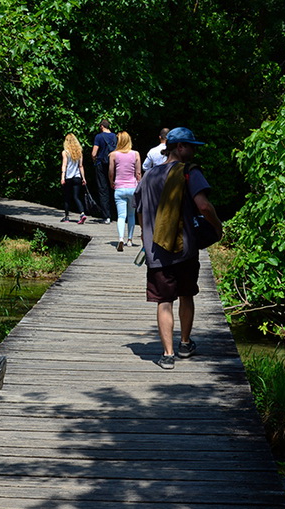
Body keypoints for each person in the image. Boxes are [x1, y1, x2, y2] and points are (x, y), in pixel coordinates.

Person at [133, 127, 223, 370]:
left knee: (164, 301)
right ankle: (184, 344)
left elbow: (139, 210)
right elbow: (203, 206)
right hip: (184, 248)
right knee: (186, 295)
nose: (194, 151)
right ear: (180, 147)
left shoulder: (148, 176)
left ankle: (167, 354)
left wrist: (145, 237)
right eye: (192, 146)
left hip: (156, 251)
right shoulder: (189, 173)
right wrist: (218, 226)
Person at [108, 131, 141, 251]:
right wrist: (139, 185)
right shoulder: (135, 154)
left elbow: (111, 172)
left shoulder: (113, 154)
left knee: (121, 216)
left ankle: (121, 238)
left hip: (119, 187)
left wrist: (112, 182)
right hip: (132, 187)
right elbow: (138, 173)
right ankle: (130, 240)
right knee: (131, 215)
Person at [90, 120, 117, 223]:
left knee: (103, 189)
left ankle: (106, 216)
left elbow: (94, 153)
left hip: (101, 164)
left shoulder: (99, 137)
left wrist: (95, 160)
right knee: (113, 188)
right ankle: (116, 214)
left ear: (101, 126)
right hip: (113, 165)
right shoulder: (115, 136)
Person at [60, 133, 87, 224]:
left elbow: (65, 165)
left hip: (69, 177)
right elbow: (81, 166)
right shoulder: (79, 152)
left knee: (67, 197)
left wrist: (62, 177)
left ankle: (67, 217)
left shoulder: (65, 152)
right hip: (77, 177)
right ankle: (82, 214)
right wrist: (83, 178)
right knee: (76, 197)